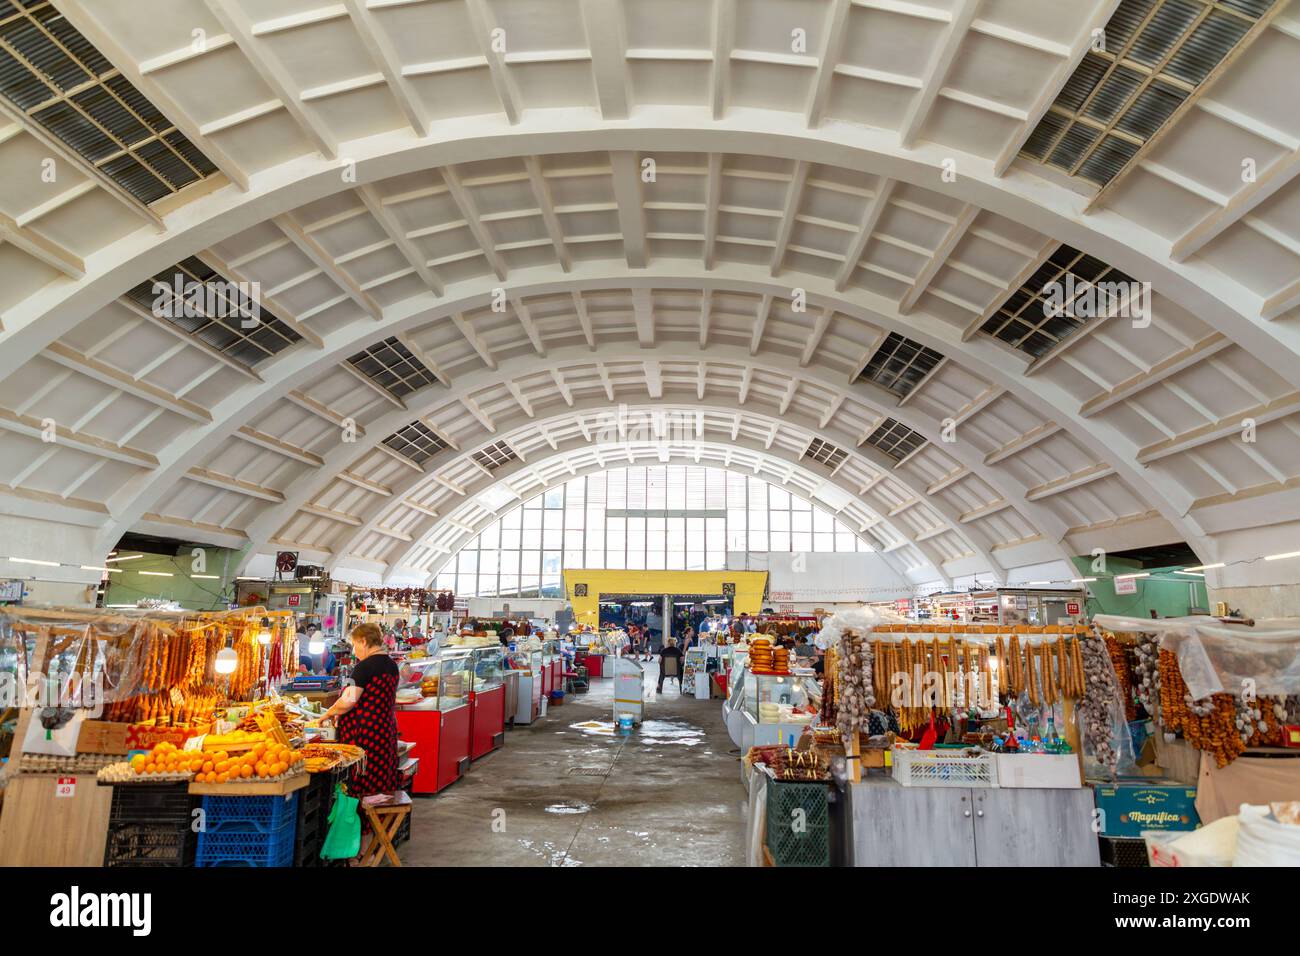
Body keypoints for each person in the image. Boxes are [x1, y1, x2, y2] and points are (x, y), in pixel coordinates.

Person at [321, 624, 400, 803]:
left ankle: (360, 821)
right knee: (379, 777)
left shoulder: (364, 667)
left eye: (355, 645)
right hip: (385, 730)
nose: (355, 651)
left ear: (364, 641)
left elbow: (348, 701)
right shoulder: (391, 665)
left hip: (364, 735)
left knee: (362, 777)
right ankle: (375, 820)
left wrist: (328, 713)